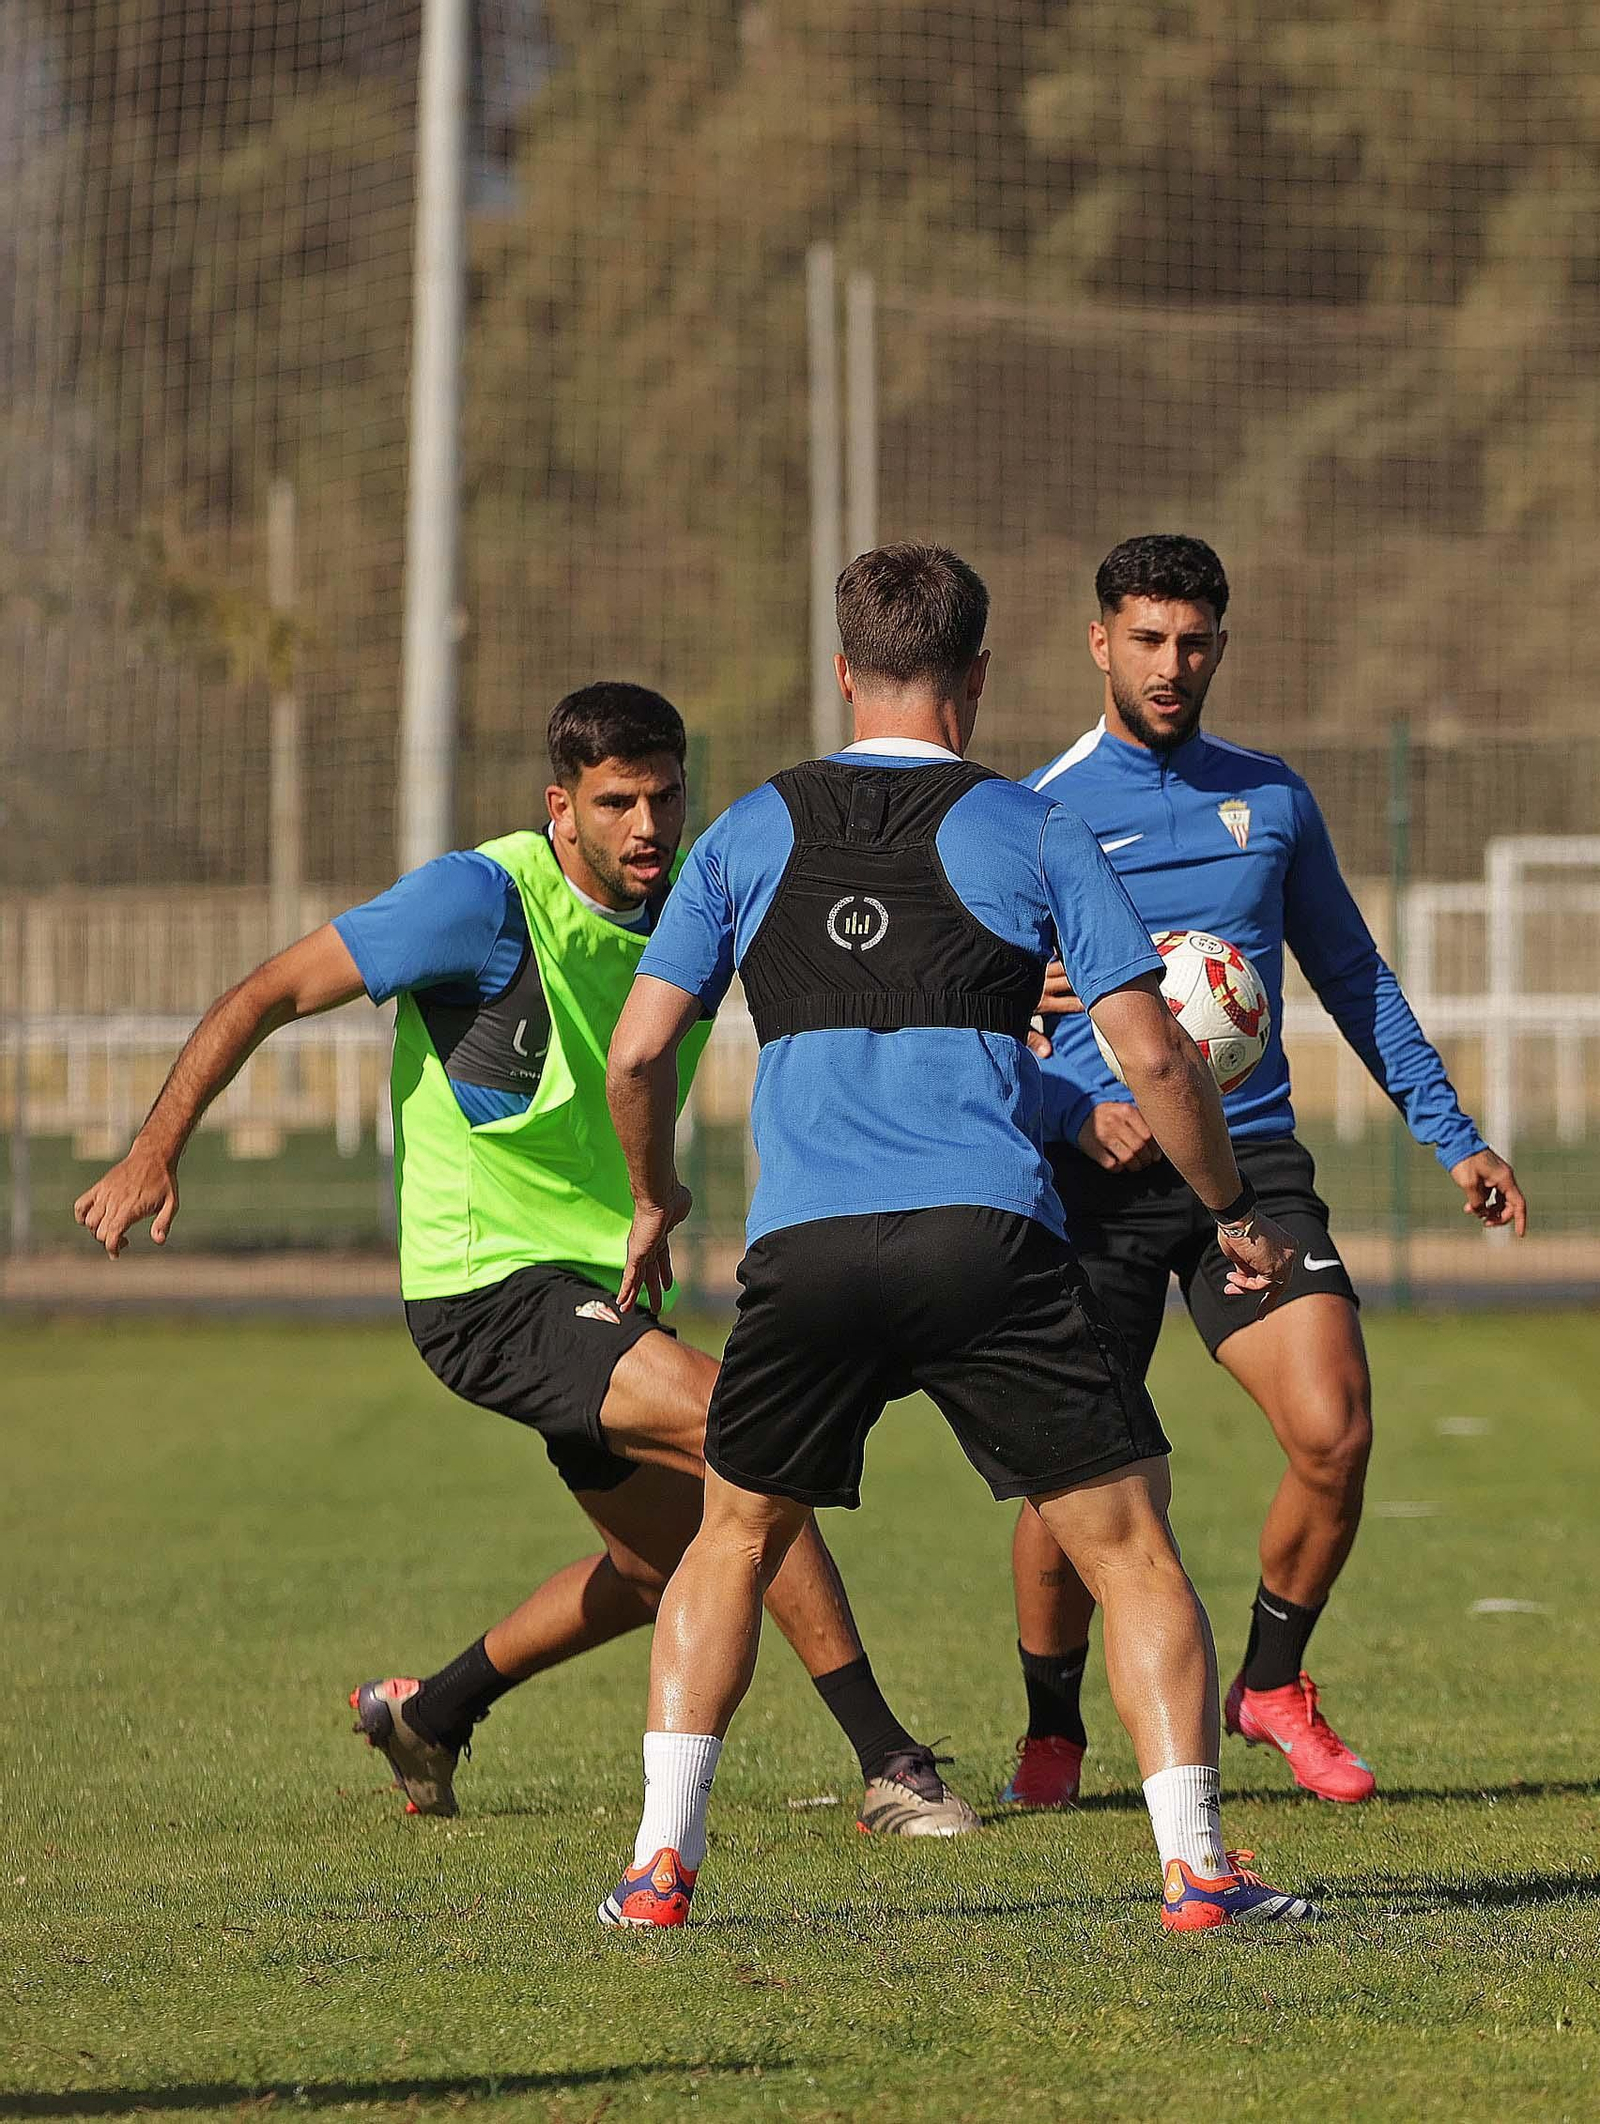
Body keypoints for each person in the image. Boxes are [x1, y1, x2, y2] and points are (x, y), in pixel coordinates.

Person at [72, 681, 977, 1838]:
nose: (646, 826)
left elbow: (868, 958)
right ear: (562, 806)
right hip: (482, 1285)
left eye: (663, 797)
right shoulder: (479, 899)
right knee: (745, 1435)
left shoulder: (700, 895)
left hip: (597, 1286)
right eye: (615, 804)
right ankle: (891, 1762)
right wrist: (155, 1148)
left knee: (662, 1575)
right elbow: (269, 992)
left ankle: (432, 1713)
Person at [597, 543, 1315, 1935]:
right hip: (986, 1242)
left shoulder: (746, 830)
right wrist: (1231, 1212)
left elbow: (638, 1058)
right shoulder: (1034, 829)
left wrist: (654, 1195)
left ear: (844, 672)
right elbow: (1156, 1060)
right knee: (1130, 1547)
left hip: (806, 1254)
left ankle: (658, 1869)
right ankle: (1198, 1871)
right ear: (977, 680)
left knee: (733, 1540)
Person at [1001, 534, 1527, 1813]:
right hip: (1099, 1176)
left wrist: (1451, 1133)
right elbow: (971, 1021)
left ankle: (1274, 1686)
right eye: (1145, 640)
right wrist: (1066, 1096)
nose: (1170, 666)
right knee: (1079, 1481)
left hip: (1250, 1161)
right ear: (1099, 644)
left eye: (1192, 643)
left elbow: (1352, 976)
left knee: (1333, 1428)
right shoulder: (1033, 811)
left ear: (1219, 647)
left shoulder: (1273, 801)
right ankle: (1053, 1723)